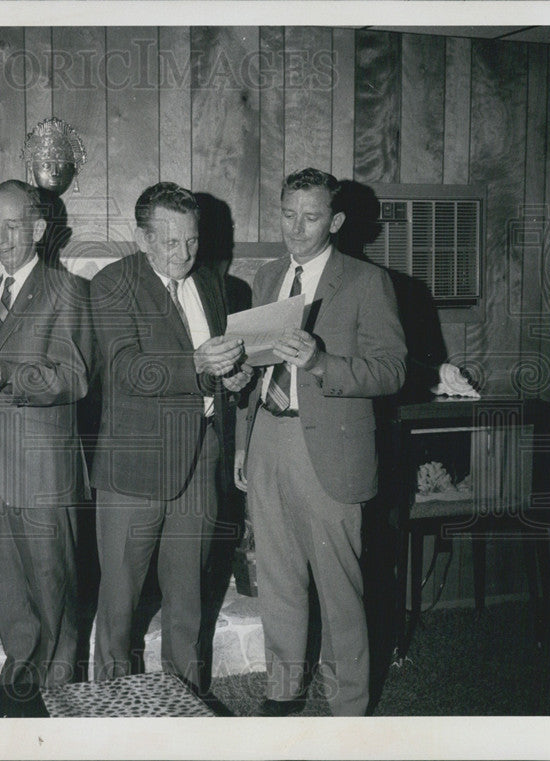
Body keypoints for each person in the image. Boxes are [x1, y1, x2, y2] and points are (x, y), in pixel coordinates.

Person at [235, 167, 406, 716]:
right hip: (267, 438)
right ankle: (283, 693)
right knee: (278, 576)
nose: (297, 228)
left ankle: (347, 708)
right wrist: (244, 438)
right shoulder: (265, 278)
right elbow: (256, 365)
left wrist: (320, 361)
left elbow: (392, 371)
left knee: (340, 590)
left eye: (311, 217)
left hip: (330, 450)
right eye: (288, 214)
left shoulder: (365, 281)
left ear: (334, 220)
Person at [90, 182, 250, 691]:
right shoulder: (112, 283)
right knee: (120, 605)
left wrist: (234, 378)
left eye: (192, 241)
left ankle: (187, 702)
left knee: (187, 600)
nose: (184, 254)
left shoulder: (210, 284)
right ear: (142, 238)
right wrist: (199, 364)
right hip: (133, 469)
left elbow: (218, 368)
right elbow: (126, 369)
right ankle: (114, 709)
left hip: (200, 458)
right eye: (170, 242)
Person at [0, 180, 94, 689]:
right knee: (9, 586)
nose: (0, 237)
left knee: (51, 584)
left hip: (42, 469)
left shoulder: (68, 291)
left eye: (12, 226)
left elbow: (75, 377)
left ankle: (60, 692)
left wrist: (10, 374)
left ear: (38, 229)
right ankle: (20, 677)